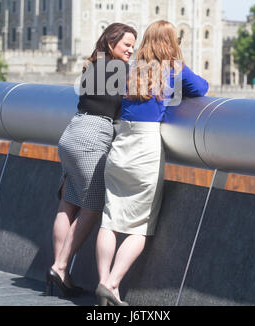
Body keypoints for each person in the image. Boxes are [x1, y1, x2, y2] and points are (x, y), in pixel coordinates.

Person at [95, 20, 209, 306]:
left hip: (121, 145)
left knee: (110, 219)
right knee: (139, 225)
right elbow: (202, 88)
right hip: (145, 149)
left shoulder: (131, 69)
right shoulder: (173, 68)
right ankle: (111, 283)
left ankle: (102, 283)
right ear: (171, 42)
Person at [46, 23, 137, 297]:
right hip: (94, 136)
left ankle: (60, 273)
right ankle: (60, 267)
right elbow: (128, 105)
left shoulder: (92, 66)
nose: (131, 50)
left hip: (73, 131)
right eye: (127, 45)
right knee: (93, 208)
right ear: (111, 44)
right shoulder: (121, 70)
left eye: (134, 45)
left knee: (69, 202)